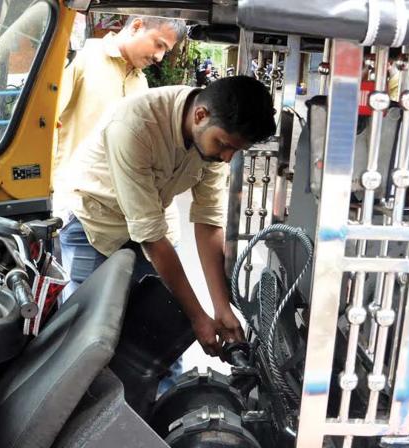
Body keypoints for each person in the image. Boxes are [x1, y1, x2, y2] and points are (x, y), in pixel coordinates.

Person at [61, 76, 276, 356]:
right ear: (200, 115)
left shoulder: (213, 139)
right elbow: (150, 237)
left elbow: (208, 222)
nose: (227, 158)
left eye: (236, 150)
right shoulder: (134, 126)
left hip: (153, 220)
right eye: (224, 145)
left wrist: (221, 308)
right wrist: (199, 317)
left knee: (163, 340)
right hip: (94, 226)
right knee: (90, 341)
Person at [53, 16, 186, 298]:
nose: (160, 56)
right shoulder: (85, 61)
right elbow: (49, 123)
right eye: (158, 44)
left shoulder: (141, 83)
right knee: (81, 308)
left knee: (128, 309)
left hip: (129, 218)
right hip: (83, 211)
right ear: (137, 26)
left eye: (166, 50)